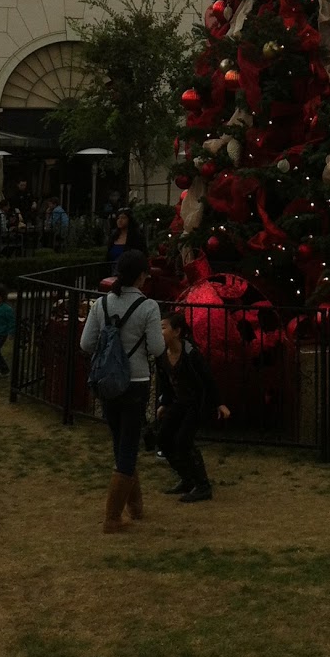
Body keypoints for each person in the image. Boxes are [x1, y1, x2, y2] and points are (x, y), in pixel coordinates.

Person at [79, 249, 165, 533]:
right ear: (141, 276)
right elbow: (156, 348)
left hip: (107, 382)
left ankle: (135, 505)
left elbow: (85, 343)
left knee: (120, 441)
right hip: (136, 381)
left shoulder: (101, 304)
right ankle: (112, 517)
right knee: (128, 446)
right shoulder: (148, 307)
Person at [155, 310, 229, 503]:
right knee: (163, 438)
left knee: (183, 442)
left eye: (163, 327)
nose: (159, 331)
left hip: (196, 404)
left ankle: (203, 486)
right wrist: (164, 403)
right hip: (178, 403)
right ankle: (187, 479)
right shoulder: (161, 354)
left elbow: (207, 378)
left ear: (177, 331)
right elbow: (165, 380)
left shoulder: (190, 353)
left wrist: (219, 403)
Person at [107, 208, 146, 272]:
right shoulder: (113, 236)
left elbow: (142, 255)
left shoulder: (136, 236)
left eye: (123, 218)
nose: (120, 220)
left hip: (129, 272)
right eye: (118, 218)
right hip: (112, 270)